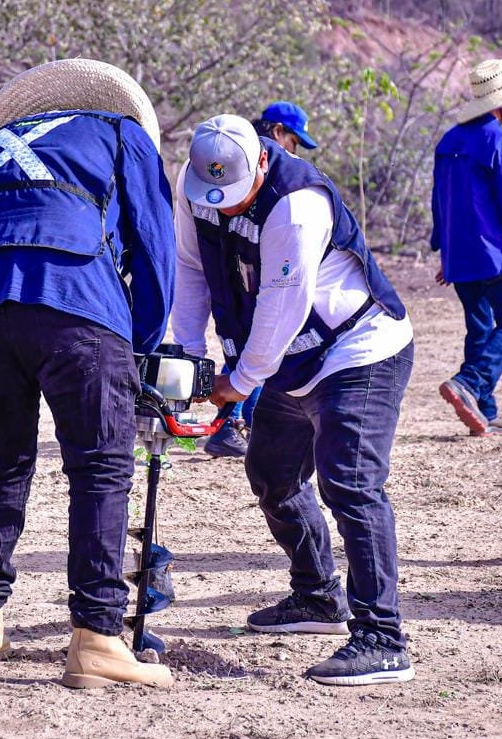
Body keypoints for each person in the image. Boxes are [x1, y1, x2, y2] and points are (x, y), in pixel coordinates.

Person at [0, 59, 177, 688]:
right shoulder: (123, 134)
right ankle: (97, 637)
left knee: (0, 458)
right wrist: (140, 351)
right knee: (101, 465)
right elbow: (155, 250)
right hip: (73, 296)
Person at [173, 114, 415, 685]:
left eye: (237, 194)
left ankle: (383, 639)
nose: (227, 207)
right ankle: (318, 596)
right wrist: (187, 358)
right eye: (216, 197)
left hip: (357, 350)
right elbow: (190, 269)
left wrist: (238, 381)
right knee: (273, 473)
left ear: (262, 159)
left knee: (350, 483)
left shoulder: (297, 204)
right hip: (290, 359)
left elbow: (283, 305)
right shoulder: (194, 186)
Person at [430, 59, 502, 436]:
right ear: (496, 103)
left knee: (479, 329)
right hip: (494, 254)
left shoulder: (448, 141)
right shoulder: (499, 140)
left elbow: (439, 199)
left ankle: (485, 411)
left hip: (459, 255)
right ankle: (469, 382)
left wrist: (443, 248)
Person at [205, 100, 320, 459]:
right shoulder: (253, 172)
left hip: (239, 267)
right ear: (277, 132)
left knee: (251, 344)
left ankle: (241, 422)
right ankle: (232, 423)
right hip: (247, 267)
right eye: (293, 141)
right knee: (258, 342)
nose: (294, 151)